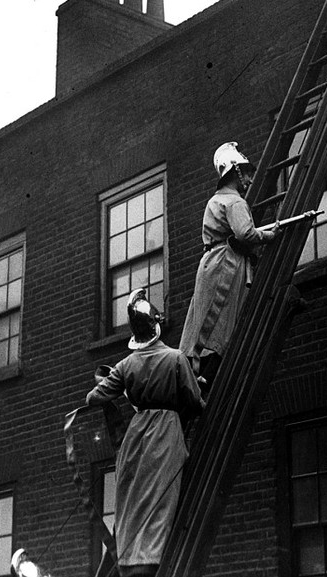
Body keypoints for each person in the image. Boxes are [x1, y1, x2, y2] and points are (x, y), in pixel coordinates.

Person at [86, 289, 205, 577]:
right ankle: (150, 561)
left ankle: (129, 561)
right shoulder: (176, 359)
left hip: (136, 436)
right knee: (160, 497)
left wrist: (126, 389)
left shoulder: (127, 365)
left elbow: (93, 398)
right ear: (156, 327)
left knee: (132, 498)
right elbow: (195, 402)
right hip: (166, 432)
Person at [179, 142, 279, 385]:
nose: (248, 178)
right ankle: (201, 377)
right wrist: (269, 235)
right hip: (225, 265)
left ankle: (191, 374)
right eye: (244, 172)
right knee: (217, 323)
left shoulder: (215, 201)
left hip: (212, 262)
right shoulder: (234, 202)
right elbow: (245, 233)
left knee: (203, 324)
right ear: (234, 171)